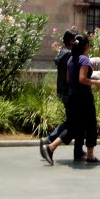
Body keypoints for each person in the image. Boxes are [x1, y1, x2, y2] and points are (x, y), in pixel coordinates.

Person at [40, 29, 78, 165]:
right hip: (69, 92)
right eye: (75, 40)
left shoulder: (62, 53)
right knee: (73, 123)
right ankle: (49, 143)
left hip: (62, 91)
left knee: (71, 121)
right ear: (71, 41)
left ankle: (49, 141)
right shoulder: (69, 55)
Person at [67, 34, 100, 163]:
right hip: (84, 97)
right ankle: (90, 155)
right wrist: (96, 82)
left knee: (79, 126)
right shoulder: (84, 60)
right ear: (87, 46)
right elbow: (82, 78)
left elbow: (69, 79)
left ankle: (77, 152)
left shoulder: (71, 59)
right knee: (90, 125)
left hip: (73, 96)